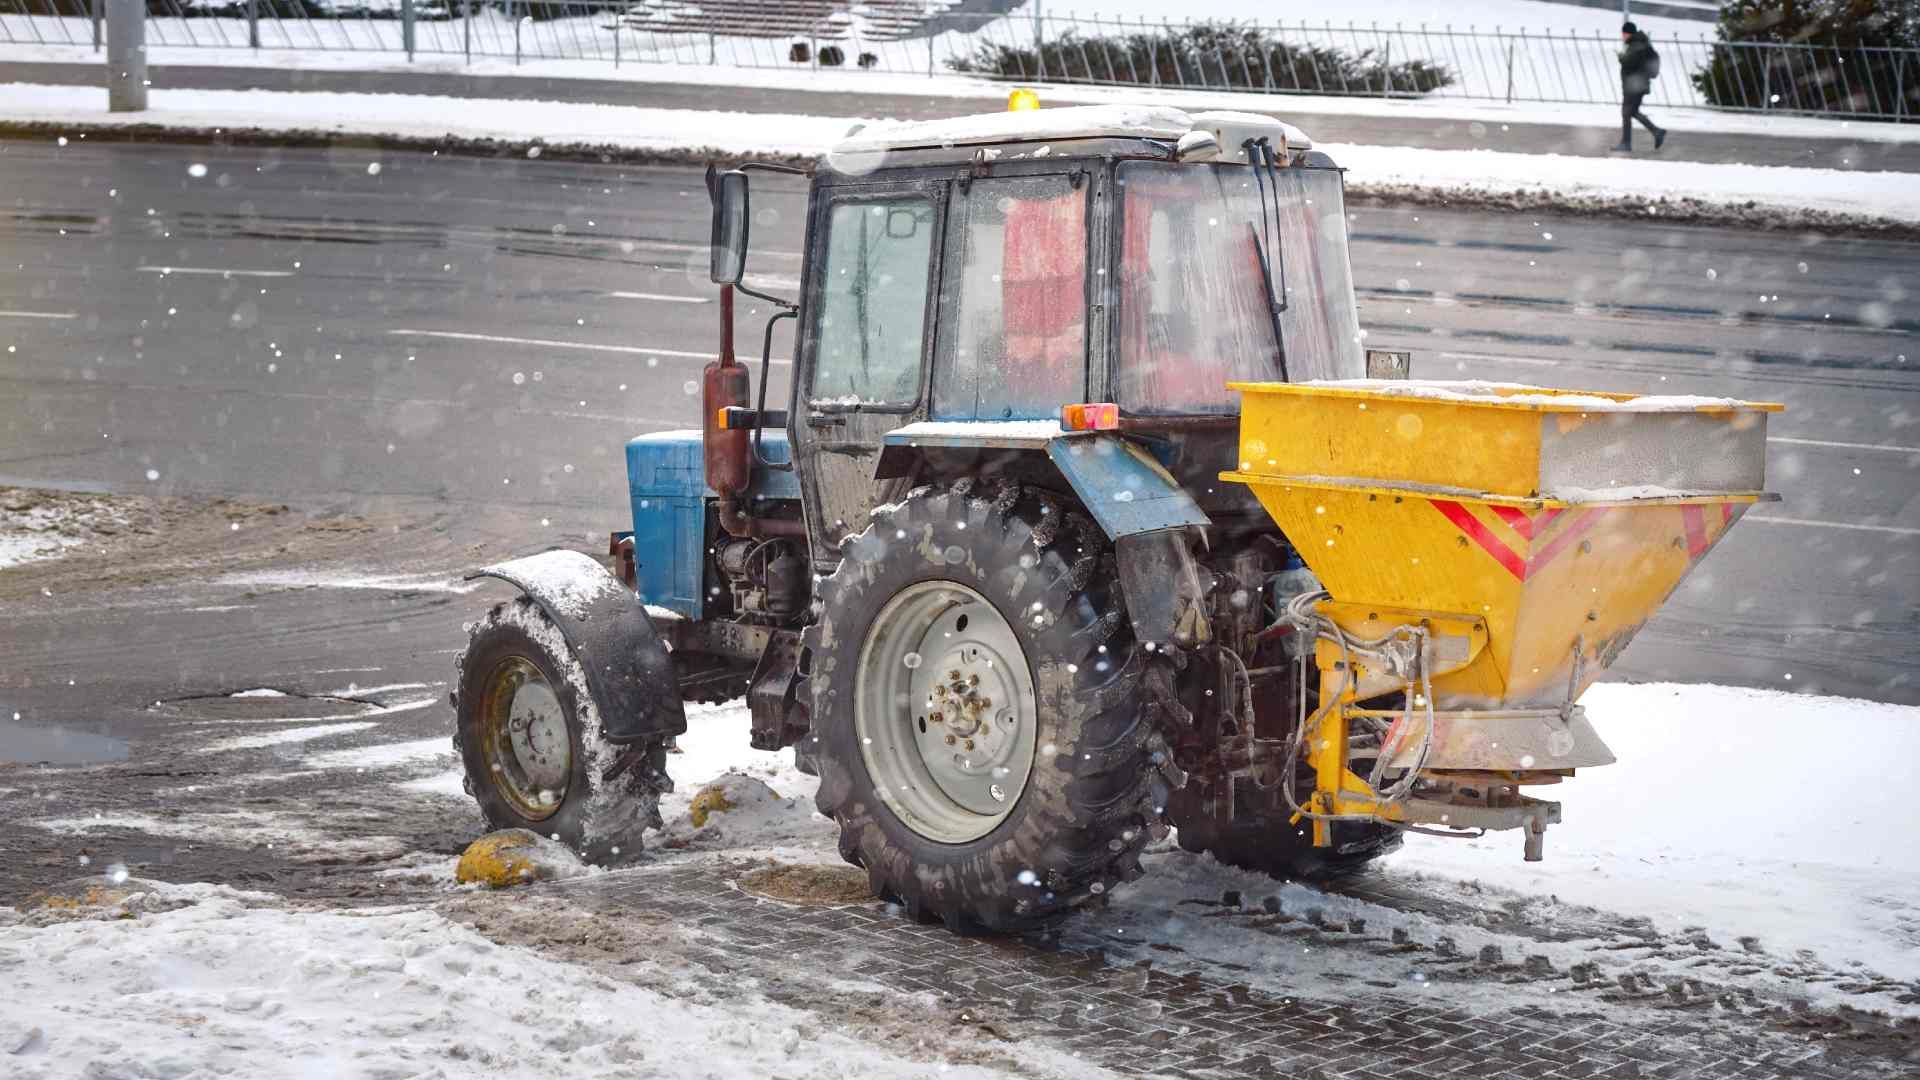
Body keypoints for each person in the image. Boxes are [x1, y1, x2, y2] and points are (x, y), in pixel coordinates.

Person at [1614, 21, 1667, 153]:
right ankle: (1657, 132)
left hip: (1635, 85)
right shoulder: (1640, 43)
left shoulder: (1636, 45)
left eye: (1624, 33)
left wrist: (1621, 57)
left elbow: (1630, 63)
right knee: (1632, 112)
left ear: (1628, 33)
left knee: (1627, 112)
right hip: (1638, 84)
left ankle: (1626, 143)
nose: (1622, 36)